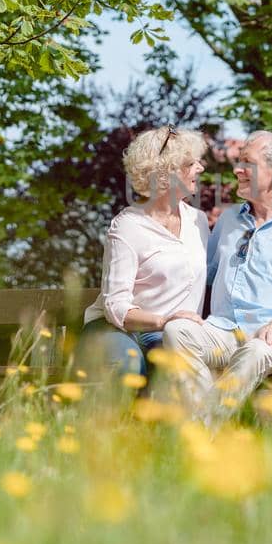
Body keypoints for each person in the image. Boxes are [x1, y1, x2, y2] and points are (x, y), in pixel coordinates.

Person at [162, 129, 272, 418]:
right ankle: (210, 427)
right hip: (224, 333)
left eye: (248, 163)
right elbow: (200, 277)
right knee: (176, 331)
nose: (238, 170)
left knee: (259, 349)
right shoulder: (228, 220)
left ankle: (200, 433)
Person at [79, 126, 209, 380]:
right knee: (127, 366)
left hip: (172, 335)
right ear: (166, 172)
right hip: (117, 329)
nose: (200, 168)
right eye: (191, 163)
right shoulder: (128, 225)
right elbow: (115, 307)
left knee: (175, 371)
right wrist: (163, 321)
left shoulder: (199, 221)